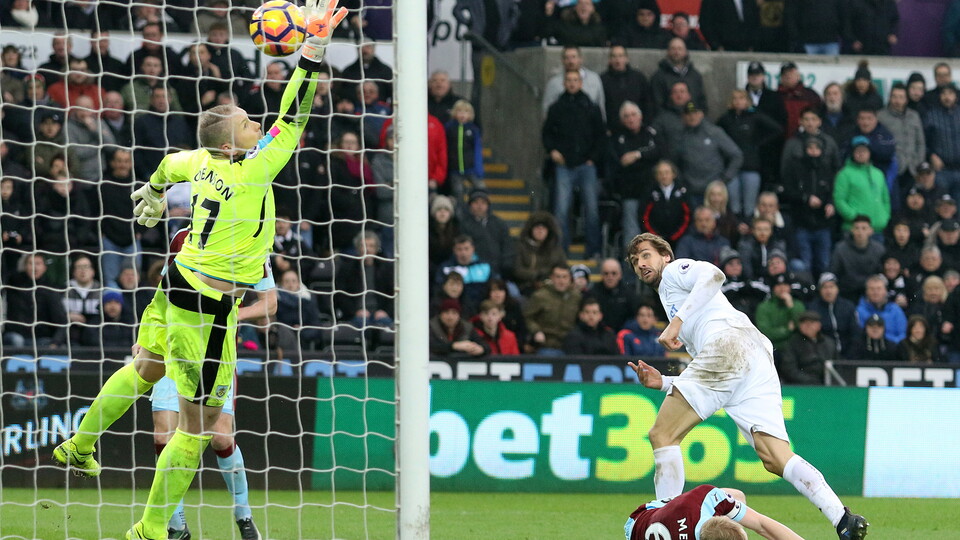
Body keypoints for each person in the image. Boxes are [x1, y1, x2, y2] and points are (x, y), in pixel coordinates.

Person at [51, 4, 349, 539]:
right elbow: (295, 113)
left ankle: (79, 442)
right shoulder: (256, 167)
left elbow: (169, 163)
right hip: (208, 306)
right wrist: (313, 51)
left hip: (175, 281)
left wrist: (156, 190)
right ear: (234, 144)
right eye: (247, 124)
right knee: (197, 430)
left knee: (145, 368)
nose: (257, 125)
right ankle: (149, 529)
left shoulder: (200, 161)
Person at [625, 233, 868, 540]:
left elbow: (715, 274)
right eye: (635, 261)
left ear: (665, 256)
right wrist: (665, 383)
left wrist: (676, 322)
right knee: (775, 456)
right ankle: (842, 519)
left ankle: (668, 522)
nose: (640, 264)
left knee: (662, 434)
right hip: (751, 354)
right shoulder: (671, 295)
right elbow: (716, 374)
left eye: (646, 255)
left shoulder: (675, 272)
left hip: (729, 345)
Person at [542, 69, 606, 258]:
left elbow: (600, 136)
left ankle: (593, 250)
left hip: (587, 165)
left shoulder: (591, 107)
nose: (571, 83)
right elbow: (547, 134)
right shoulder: (556, 107)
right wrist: (552, 151)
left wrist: (592, 158)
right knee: (561, 210)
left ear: (581, 83)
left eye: (575, 80)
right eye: (568, 80)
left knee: (592, 209)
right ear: (564, 83)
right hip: (564, 165)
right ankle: (562, 250)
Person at [626, 484, 804, 540]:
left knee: (738, 496)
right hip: (635, 525)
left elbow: (760, 524)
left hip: (647, 519)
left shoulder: (709, 497)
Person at [716, 89, 782, 219]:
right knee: (734, 206)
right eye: (735, 98)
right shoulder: (725, 119)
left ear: (747, 101)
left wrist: (758, 143)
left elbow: (777, 129)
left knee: (749, 206)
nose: (738, 101)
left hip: (751, 166)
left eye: (741, 98)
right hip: (732, 168)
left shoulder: (754, 116)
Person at [609, 101, 665, 245]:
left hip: (653, 192)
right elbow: (622, 161)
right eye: (626, 116)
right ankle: (631, 266)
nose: (631, 119)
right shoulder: (617, 138)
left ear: (640, 116)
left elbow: (659, 151)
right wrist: (646, 156)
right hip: (630, 192)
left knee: (656, 231)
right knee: (631, 232)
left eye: (633, 115)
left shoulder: (650, 133)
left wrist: (638, 155)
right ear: (622, 120)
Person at [783, 136, 837, 278]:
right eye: (810, 148)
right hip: (802, 223)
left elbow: (832, 191)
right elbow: (789, 191)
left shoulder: (827, 169)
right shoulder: (795, 167)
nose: (813, 152)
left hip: (823, 224)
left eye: (817, 149)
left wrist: (831, 204)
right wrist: (806, 198)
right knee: (805, 264)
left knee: (824, 263)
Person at [676, 101, 743, 205]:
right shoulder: (680, 135)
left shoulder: (714, 132)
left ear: (701, 114)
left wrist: (724, 179)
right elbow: (675, 160)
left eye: (695, 113)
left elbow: (736, 155)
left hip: (713, 191)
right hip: (690, 189)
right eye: (689, 114)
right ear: (684, 116)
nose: (692, 116)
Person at [1, 253, 68, 348]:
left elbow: (62, 322)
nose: (34, 267)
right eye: (30, 263)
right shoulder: (13, 285)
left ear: (44, 267)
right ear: (25, 267)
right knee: (16, 340)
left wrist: (55, 343)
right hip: (15, 335)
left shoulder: (50, 290)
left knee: (59, 347)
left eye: (38, 263)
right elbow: (6, 268)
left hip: (41, 339)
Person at [833, 136, 891, 232]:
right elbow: (839, 200)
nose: (861, 154)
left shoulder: (878, 173)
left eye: (864, 151)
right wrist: (854, 217)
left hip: (878, 228)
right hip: (854, 229)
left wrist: (885, 217)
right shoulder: (845, 174)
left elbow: (885, 199)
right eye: (858, 151)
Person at [524, 264, 581, 355]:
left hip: (570, 345)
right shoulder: (540, 296)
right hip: (547, 344)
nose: (561, 281)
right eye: (558, 277)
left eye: (564, 277)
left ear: (570, 278)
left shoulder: (576, 297)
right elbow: (527, 317)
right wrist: (536, 331)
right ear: (552, 278)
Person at [459, 188, 513, 280]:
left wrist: (506, 264)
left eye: (483, 203)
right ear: (470, 205)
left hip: (498, 270)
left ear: (488, 205)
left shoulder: (499, 223)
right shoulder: (464, 225)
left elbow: (507, 245)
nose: (479, 206)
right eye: (476, 202)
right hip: (475, 271)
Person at [434, 234, 496, 314]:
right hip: (456, 309)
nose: (463, 253)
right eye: (459, 249)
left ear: (473, 249)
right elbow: (438, 290)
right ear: (454, 250)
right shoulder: (446, 268)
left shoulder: (484, 266)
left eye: (466, 249)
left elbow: (494, 286)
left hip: (482, 308)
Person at [829, 215, 885, 302]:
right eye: (857, 228)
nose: (860, 232)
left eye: (864, 228)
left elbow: (881, 274)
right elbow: (834, 273)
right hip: (846, 294)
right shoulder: (840, 249)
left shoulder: (879, 249)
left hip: (872, 294)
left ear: (871, 231)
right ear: (852, 230)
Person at [877, 82, 926, 181]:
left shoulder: (914, 116)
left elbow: (920, 143)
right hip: (892, 168)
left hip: (913, 169)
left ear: (906, 99)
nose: (897, 100)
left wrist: (919, 162)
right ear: (889, 98)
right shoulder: (881, 116)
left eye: (901, 97)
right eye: (894, 97)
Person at [541, 46, 605, 117]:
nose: (571, 61)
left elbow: (600, 106)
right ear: (562, 60)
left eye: (574, 57)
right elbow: (547, 110)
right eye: (567, 58)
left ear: (580, 59)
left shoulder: (594, 79)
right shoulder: (553, 83)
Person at [513, 211, 567, 295]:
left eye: (544, 228)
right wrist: (537, 275)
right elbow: (517, 270)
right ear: (531, 229)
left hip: (552, 287)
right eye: (537, 227)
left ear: (549, 231)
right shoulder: (520, 247)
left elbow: (563, 268)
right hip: (525, 286)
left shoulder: (556, 249)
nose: (540, 231)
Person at [650, 38, 707, 115]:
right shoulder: (658, 76)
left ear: (686, 52)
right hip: (668, 119)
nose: (676, 52)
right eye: (673, 49)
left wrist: (695, 116)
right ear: (668, 52)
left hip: (692, 117)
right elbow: (657, 104)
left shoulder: (695, 76)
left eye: (680, 49)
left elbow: (701, 101)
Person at [809, 273, 860, 359]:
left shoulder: (848, 306)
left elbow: (855, 333)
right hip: (824, 355)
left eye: (831, 287)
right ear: (820, 290)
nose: (828, 291)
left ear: (837, 289)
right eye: (825, 287)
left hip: (848, 355)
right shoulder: (813, 308)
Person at [641, 160, 691, 247]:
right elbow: (644, 217)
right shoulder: (649, 192)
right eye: (660, 173)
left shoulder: (683, 191)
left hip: (680, 239)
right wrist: (655, 236)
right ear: (656, 176)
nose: (664, 176)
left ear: (674, 174)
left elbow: (688, 215)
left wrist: (676, 235)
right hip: (655, 240)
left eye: (667, 172)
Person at [444, 100, 485, 205]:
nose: (462, 115)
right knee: (458, 191)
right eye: (460, 111)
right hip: (454, 168)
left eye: (466, 112)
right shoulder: (449, 128)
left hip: (470, 168)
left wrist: (479, 170)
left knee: (480, 188)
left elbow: (477, 150)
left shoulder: (473, 130)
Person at [924, 84, 960, 202]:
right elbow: (924, 141)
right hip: (941, 170)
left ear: (955, 96)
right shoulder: (931, 115)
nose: (947, 97)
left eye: (950, 93)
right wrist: (931, 155)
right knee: (941, 205)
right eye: (944, 94)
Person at [780, 310, 836, 385]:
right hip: (801, 386)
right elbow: (789, 369)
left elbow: (837, 365)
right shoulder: (792, 343)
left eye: (811, 323)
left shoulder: (829, 343)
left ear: (819, 325)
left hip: (827, 385)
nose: (808, 326)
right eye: (804, 323)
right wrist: (810, 380)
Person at [755, 273, 806, 353]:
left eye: (785, 284)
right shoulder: (764, 307)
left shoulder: (797, 305)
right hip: (772, 349)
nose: (782, 288)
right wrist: (787, 330)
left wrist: (791, 307)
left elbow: (802, 326)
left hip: (795, 349)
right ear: (773, 288)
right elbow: (765, 332)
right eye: (778, 285)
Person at [719, 246, 769, 321]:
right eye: (730, 264)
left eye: (738, 263)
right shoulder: (720, 285)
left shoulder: (749, 281)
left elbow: (766, 291)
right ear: (723, 267)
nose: (735, 267)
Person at [590, 258, 640, 331]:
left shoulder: (629, 293)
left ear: (620, 275)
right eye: (606, 273)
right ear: (601, 275)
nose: (610, 277)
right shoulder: (593, 292)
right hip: (598, 333)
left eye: (614, 273)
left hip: (623, 335)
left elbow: (634, 317)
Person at [857, 274, 908, 343]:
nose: (875, 292)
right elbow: (859, 336)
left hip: (893, 349)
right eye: (872, 289)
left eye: (879, 289)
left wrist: (888, 343)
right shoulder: (859, 311)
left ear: (885, 291)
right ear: (866, 292)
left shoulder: (895, 310)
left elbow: (903, 334)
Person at [778, 62, 822, 138]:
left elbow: (820, 116)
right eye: (785, 74)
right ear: (781, 78)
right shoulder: (775, 97)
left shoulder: (810, 95)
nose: (788, 76)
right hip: (781, 141)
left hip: (808, 140)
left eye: (791, 73)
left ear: (798, 75)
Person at [542, 0, 608, 47]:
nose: (583, 6)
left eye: (587, 4)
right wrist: (549, 15)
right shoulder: (564, 25)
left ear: (592, 9)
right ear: (575, 8)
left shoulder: (599, 28)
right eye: (580, 3)